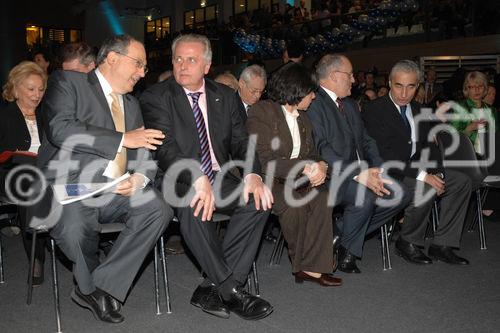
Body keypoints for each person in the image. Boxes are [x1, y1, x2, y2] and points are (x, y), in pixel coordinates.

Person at [31, 34, 172, 323]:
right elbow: (60, 129)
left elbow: (144, 153)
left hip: (115, 190)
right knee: (74, 228)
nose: (143, 72)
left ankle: (98, 285)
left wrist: (140, 180)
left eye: (144, 67)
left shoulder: (131, 105)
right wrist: (122, 139)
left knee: (158, 209)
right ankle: (92, 287)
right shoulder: (69, 82)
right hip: (70, 187)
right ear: (112, 58)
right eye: (139, 64)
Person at [140, 34, 274, 320]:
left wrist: (252, 174)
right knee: (193, 204)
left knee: (258, 200)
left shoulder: (225, 96)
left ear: (207, 65)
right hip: (176, 176)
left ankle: (209, 286)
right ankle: (231, 289)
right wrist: (197, 177)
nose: (183, 65)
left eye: (191, 59)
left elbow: (241, 141)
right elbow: (166, 148)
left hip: (218, 174)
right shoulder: (156, 96)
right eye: (178, 59)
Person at [307, 54, 410, 274]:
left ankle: (340, 235)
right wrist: (357, 173)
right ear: (335, 76)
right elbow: (321, 148)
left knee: (401, 192)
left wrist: (378, 169)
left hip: (362, 173)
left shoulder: (351, 105)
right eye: (350, 74)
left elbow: (366, 140)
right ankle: (348, 252)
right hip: (330, 176)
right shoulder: (314, 103)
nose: (354, 80)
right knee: (365, 195)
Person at [363, 59, 472, 265]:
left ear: (417, 86)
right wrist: (425, 176)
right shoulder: (374, 110)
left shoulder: (421, 110)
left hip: (415, 169)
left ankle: (443, 244)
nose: (404, 93)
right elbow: (385, 156)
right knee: (425, 186)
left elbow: (432, 147)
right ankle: (407, 241)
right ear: (389, 82)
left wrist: (438, 173)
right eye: (399, 86)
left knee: (461, 181)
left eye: (410, 86)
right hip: (388, 172)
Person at [246, 62, 342, 287]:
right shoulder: (262, 111)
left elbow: (314, 153)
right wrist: (306, 167)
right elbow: (265, 160)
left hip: (297, 180)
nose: (314, 97)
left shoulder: (303, 119)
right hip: (267, 179)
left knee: (322, 198)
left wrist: (322, 166)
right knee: (294, 204)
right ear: (296, 89)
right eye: (311, 92)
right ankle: (303, 266)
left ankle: (315, 267)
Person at [0, 61, 47, 285]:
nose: (36, 94)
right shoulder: (4, 116)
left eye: (40, 89)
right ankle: (36, 257)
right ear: (16, 88)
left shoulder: (47, 116)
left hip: (45, 171)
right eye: (30, 89)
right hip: (11, 173)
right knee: (29, 182)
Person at [451, 71, 499, 221]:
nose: (476, 90)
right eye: (472, 87)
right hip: (468, 156)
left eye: (480, 86)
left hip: (490, 153)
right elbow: (450, 137)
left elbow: (496, 136)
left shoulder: (490, 110)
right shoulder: (460, 107)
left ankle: (489, 205)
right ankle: (488, 207)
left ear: (485, 88)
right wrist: (469, 128)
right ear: (466, 89)